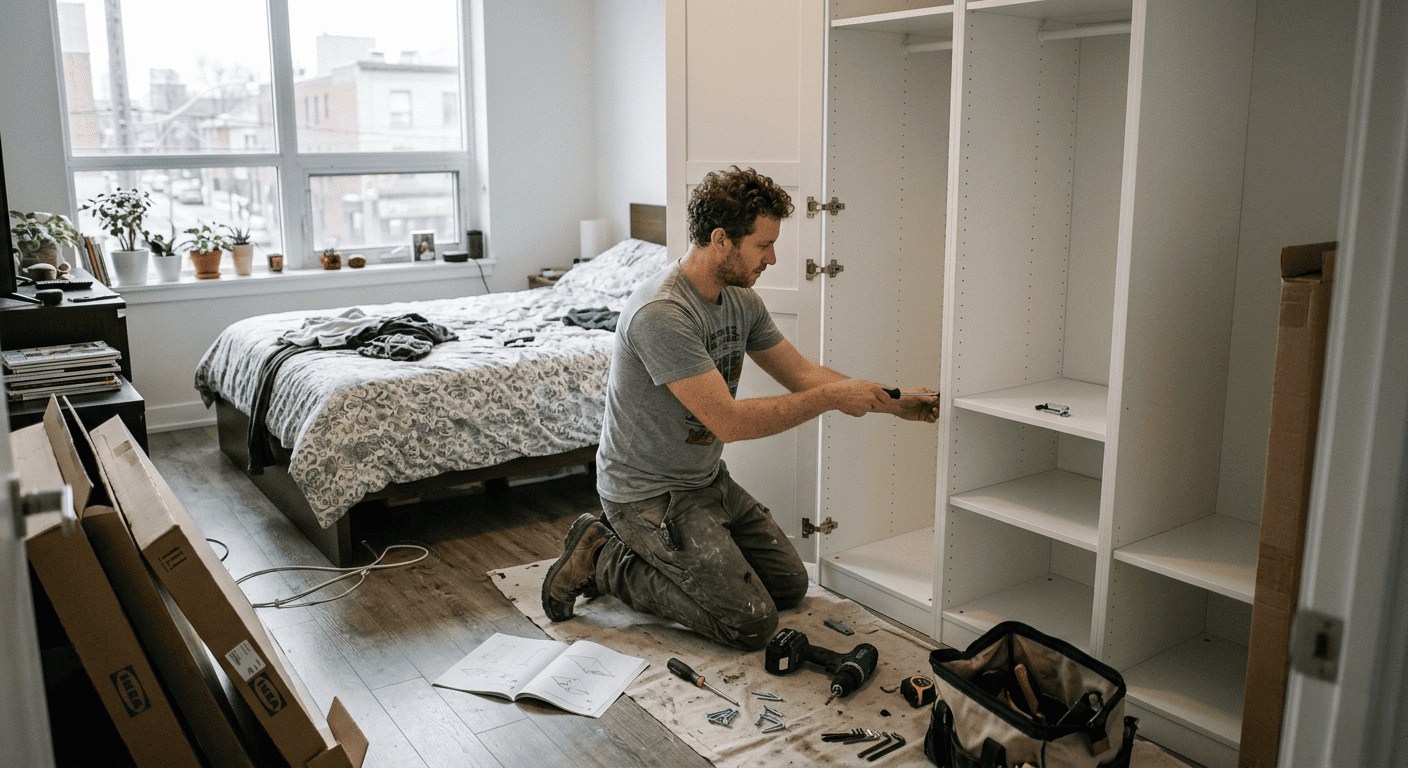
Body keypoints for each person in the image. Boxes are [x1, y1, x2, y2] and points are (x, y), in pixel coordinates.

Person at [541, 166, 939, 650]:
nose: (772, 258)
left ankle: (668, 556)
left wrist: (893, 403)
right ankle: (606, 558)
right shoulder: (662, 313)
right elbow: (729, 420)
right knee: (750, 624)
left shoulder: (740, 301)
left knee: (790, 588)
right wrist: (832, 399)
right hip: (647, 496)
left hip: (706, 481)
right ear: (722, 239)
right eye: (763, 244)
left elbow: (803, 375)